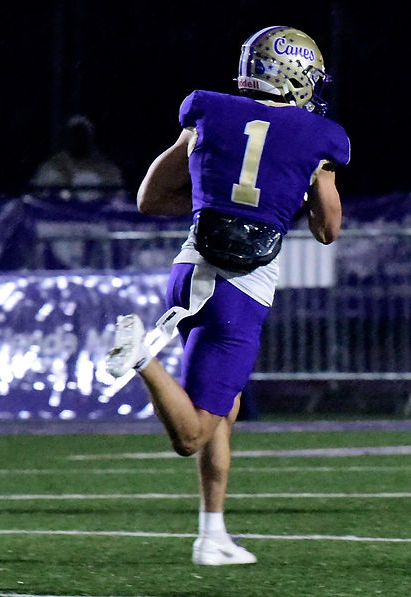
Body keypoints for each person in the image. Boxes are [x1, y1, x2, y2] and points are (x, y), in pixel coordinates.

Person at [104, 26, 349, 565]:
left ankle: (211, 534)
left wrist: (214, 209)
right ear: (298, 75)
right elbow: (328, 229)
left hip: (189, 270)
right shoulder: (319, 135)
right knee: (192, 435)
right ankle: (142, 357)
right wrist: (297, 192)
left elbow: (149, 197)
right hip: (238, 291)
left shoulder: (207, 110)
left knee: (226, 409)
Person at [30, 113, 124, 197]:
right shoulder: (51, 167)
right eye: (75, 134)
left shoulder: (106, 169)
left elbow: (118, 199)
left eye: (83, 134)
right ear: (67, 138)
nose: (79, 139)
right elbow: (39, 198)